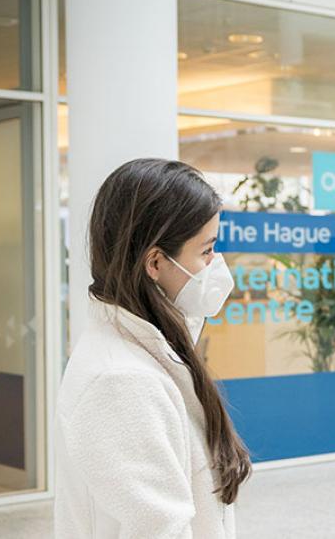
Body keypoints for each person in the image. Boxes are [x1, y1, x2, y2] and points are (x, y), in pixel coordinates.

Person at [55, 158, 252, 538]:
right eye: (206, 250)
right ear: (156, 262)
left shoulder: (144, 349)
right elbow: (158, 529)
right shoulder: (122, 380)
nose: (216, 264)